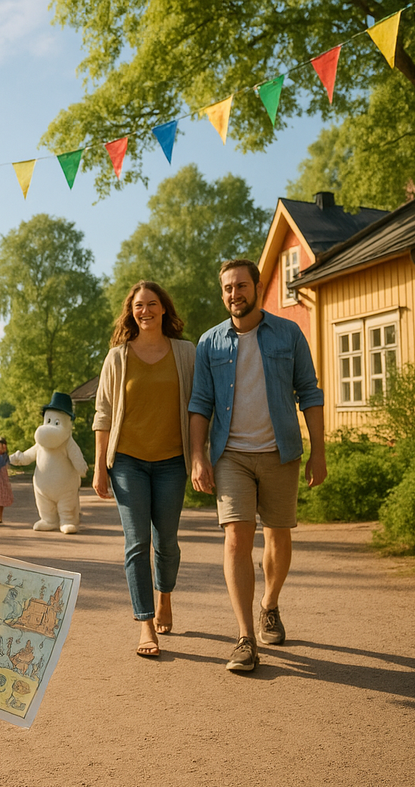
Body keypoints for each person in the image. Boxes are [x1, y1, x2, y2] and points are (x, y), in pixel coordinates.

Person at [189, 259, 326, 672]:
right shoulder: (209, 343)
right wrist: (198, 456)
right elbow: (200, 403)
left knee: (279, 537)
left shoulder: (288, 333)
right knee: (236, 538)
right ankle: (245, 637)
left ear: (257, 288)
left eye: (241, 286)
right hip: (230, 454)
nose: (234, 294)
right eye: (228, 288)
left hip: (280, 451)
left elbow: (309, 392)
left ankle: (270, 604)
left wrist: (318, 451)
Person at [92, 281, 196, 658]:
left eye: (153, 304)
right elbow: (102, 413)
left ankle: (164, 595)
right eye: (139, 305)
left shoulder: (186, 353)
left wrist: (199, 455)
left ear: (164, 309)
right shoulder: (118, 357)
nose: (146, 310)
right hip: (128, 462)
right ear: (131, 311)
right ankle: (145, 623)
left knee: (166, 542)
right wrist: (100, 467)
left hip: (172, 462)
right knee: (137, 543)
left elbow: (199, 407)